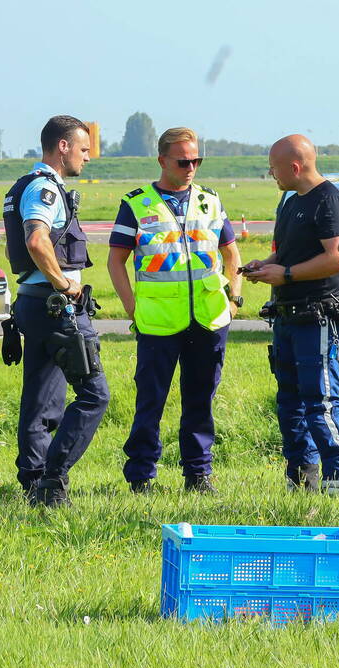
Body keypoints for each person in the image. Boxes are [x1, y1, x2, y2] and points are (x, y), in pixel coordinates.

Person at [108, 126, 242, 494]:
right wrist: (131, 307)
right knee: (150, 402)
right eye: (183, 161)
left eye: (196, 160)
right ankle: (142, 475)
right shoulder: (137, 203)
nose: (191, 167)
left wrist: (234, 299)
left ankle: (198, 474)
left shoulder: (210, 200)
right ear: (162, 160)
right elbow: (116, 261)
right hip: (158, 323)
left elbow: (231, 252)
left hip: (209, 318)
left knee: (200, 401)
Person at [2, 115, 110, 507]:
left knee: (43, 398)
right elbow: (36, 239)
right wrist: (65, 283)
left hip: (34, 304)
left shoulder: (23, 186)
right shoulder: (44, 189)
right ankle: (52, 477)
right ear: (62, 147)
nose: (87, 157)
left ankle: (33, 482)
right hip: (56, 307)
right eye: (83, 148)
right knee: (94, 395)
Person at [243, 134, 339, 494]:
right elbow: (290, 251)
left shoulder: (330, 201)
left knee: (320, 399)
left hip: (319, 316)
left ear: (295, 166)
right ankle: (301, 479)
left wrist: (286, 274)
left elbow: (338, 259)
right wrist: (267, 264)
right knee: (289, 402)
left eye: (274, 168)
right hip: (287, 316)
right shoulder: (291, 202)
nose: (271, 174)